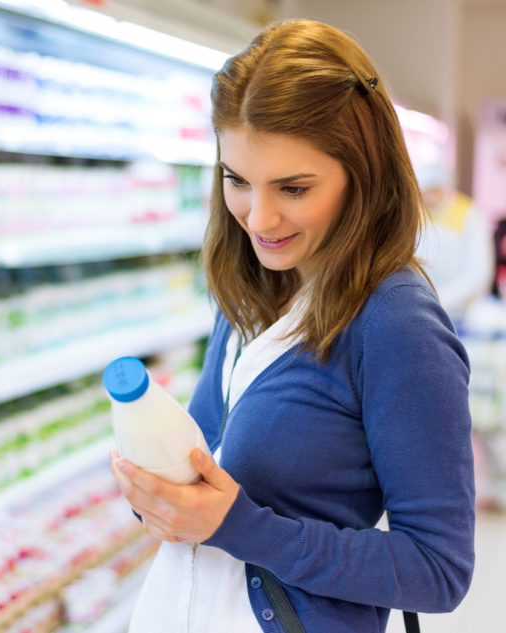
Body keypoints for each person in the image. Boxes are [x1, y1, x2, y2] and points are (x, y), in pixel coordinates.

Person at [110, 18, 475, 633]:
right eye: (237, 180)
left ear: (363, 174)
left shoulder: (394, 321)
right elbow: (209, 467)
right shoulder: (249, 288)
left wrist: (240, 526)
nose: (260, 217)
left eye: (294, 187)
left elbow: (438, 570)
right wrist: (158, 496)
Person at [414, 159, 494, 324]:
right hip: (425, 306)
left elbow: (477, 271)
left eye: (428, 192)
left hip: (461, 312)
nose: (425, 199)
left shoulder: (468, 213)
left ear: (440, 188)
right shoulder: (419, 214)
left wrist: (442, 299)